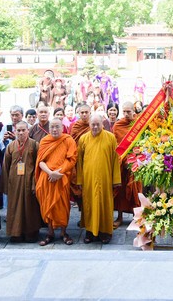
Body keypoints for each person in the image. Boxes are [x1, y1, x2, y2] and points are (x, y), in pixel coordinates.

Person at [77, 114, 121, 244]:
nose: (95, 127)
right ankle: (90, 232)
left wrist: (115, 179)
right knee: (89, 204)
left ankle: (105, 232)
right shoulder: (83, 139)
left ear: (103, 124)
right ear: (89, 125)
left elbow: (115, 159)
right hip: (88, 179)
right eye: (93, 124)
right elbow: (79, 161)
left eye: (98, 124)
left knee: (105, 204)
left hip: (105, 178)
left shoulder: (110, 137)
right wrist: (79, 180)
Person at [36, 118, 78, 246]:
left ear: (62, 127)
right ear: (49, 129)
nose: (54, 129)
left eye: (57, 127)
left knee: (63, 205)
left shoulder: (68, 140)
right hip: (47, 178)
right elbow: (40, 161)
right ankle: (50, 233)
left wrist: (58, 173)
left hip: (62, 178)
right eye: (52, 127)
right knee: (48, 205)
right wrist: (50, 173)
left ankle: (63, 232)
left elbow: (72, 159)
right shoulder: (45, 140)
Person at [2, 122, 41, 243]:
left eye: (23, 130)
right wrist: (6, 185)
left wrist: (36, 183)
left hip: (29, 181)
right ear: (14, 131)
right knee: (14, 207)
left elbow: (38, 165)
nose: (21, 132)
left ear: (28, 130)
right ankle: (16, 233)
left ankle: (31, 233)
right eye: (18, 130)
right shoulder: (11, 146)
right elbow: (5, 166)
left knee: (30, 207)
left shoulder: (34, 145)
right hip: (14, 182)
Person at [112, 102, 141, 228]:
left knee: (136, 190)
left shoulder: (138, 124)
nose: (126, 114)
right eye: (124, 111)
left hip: (135, 161)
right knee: (120, 190)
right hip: (121, 162)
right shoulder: (118, 125)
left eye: (128, 111)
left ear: (133, 111)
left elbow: (143, 142)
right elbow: (115, 144)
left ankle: (137, 216)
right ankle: (119, 217)